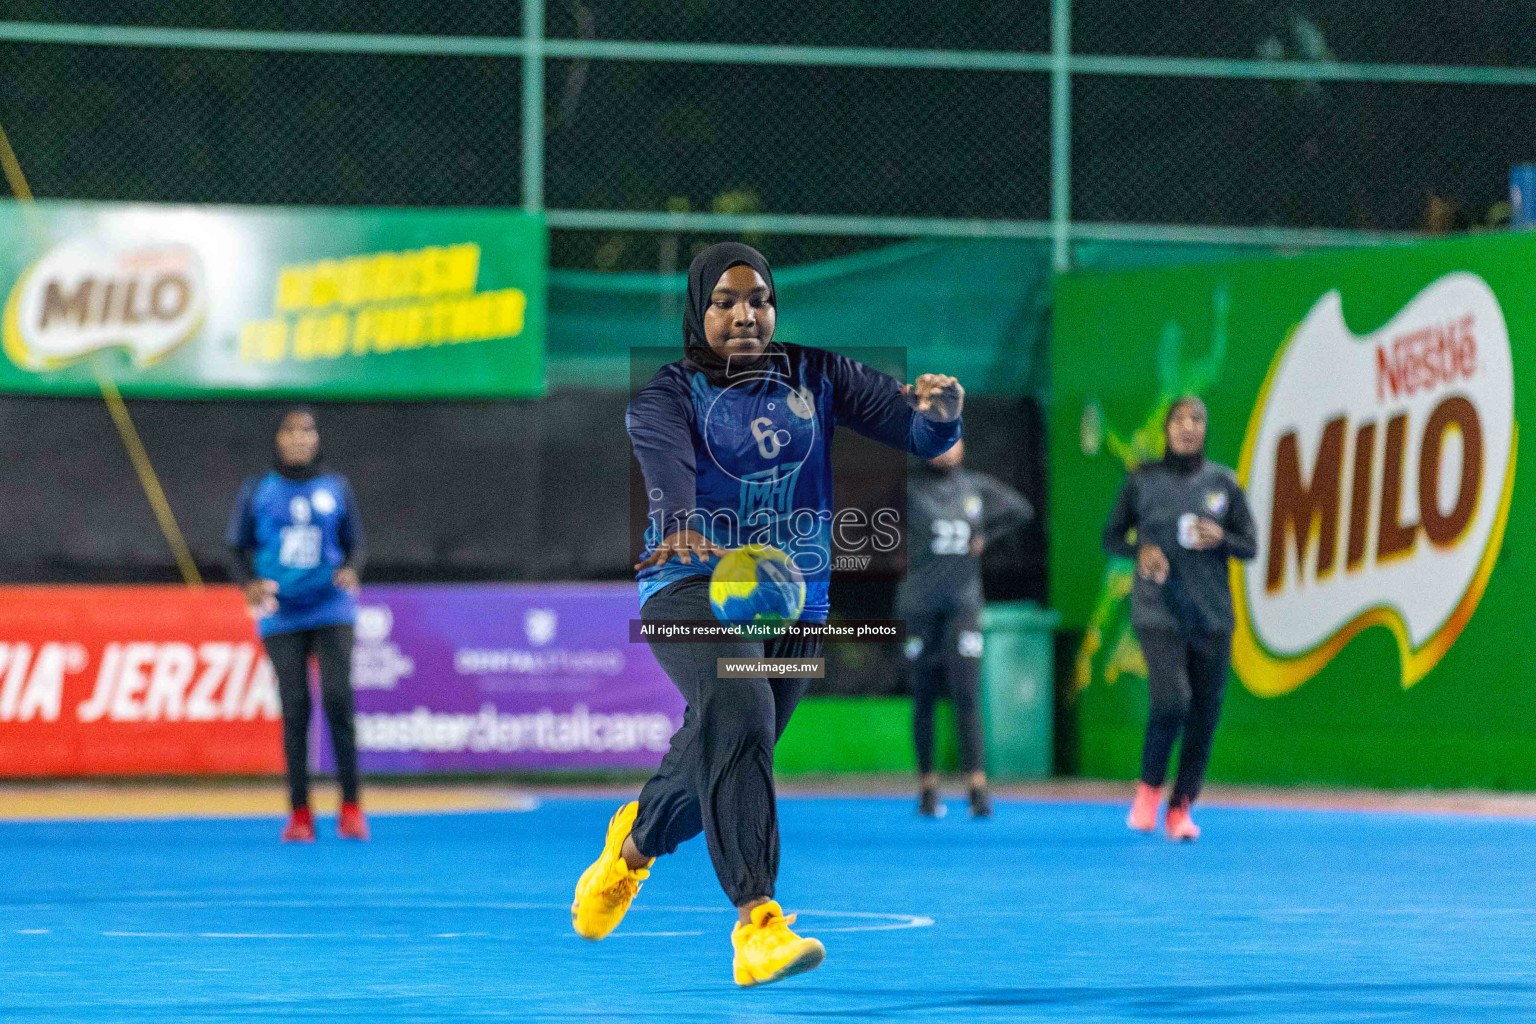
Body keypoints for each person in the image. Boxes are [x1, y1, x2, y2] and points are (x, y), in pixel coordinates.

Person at [570, 242, 964, 986]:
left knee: (726, 745)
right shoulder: (666, 396)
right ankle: (758, 924)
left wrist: (941, 419)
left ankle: (630, 850)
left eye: (758, 299)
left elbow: (914, 430)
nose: (744, 314)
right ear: (699, 310)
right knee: (741, 709)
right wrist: (682, 520)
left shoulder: (819, 374)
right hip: (691, 584)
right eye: (725, 301)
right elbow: (666, 473)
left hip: (793, 600)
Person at [1101, 396, 1256, 841]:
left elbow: (1250, 546)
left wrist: (1222, 536)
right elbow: (1111, 536)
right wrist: (1140, 551)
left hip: (1212, 617)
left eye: (1197, 419)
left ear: (1205, 428)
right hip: (1158, 611)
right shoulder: (1142, 480)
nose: (1188, 426)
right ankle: (1149, 790)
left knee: (1204, 714)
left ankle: (1181, 807)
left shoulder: (1223, 483)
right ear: (1166, 428)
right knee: (1172, 700)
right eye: (1179, 419)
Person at [228, 408, 369, 844]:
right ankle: (300, 813)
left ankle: (350, 807)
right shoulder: (259, 491)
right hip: (282, 612)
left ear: (316, 438)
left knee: (338, 700)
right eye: (289, 430)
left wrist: (352, 569)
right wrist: (248, 584)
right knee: (295, 709)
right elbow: (235, 547)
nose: (298, 438)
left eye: (306, 430)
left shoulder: (335, 488)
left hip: (330, 609)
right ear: (277, 439)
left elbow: (356, 542)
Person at [898, 439, 1032, 820]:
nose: (946, 447)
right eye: (937, 438)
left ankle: (976, 786)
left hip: (963, 605)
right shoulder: (907, 490)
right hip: (919, 606)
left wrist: (987, 536)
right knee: (923, 695)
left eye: (953, 438)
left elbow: (1021, 511)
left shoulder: (976, 488)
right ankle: (927, 786)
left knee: (967, 692)